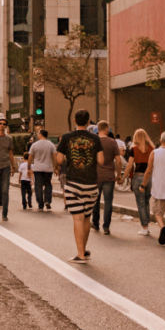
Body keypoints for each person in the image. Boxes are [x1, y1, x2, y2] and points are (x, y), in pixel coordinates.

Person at [56, 110, 104, 263]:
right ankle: (84, 249)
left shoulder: (67, 137)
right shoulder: (95, 138)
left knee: (77, 219)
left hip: (73, 182)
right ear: (88, 122)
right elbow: (101, 161)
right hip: (91, 183)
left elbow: (59, 159)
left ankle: (80, 254)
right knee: (86, 218)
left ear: (75, 121)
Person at [91, 121, 122, 234]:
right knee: (108, 202)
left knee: (95, 201)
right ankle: (106, 227)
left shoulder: (93, 141)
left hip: (95, 176)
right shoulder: (112, 142)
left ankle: (95, 223)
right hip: (109, 176)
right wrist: (118, 175)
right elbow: (118, 160)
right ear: (106, 128)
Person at [124, 129, 155, 236]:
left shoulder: (134, 149)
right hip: (149, 178)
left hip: (138, 177)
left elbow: (129, 165)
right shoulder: (152, 149)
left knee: (140, 203)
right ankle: (147, 225)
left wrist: (124, 177)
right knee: (146, 201)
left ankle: (144, 227)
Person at [29, 129, 56, 211]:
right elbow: (55, 157)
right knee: (48, 184)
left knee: (38, 186)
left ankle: (40, 203)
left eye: (38, 133)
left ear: (40, 134)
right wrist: (56, 167)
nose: (37, 135)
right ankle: (48, 200)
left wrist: (29, 167)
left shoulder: (34, 145)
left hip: (37, 168)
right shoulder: (51, 145)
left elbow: (30, 157)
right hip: (48, 168)